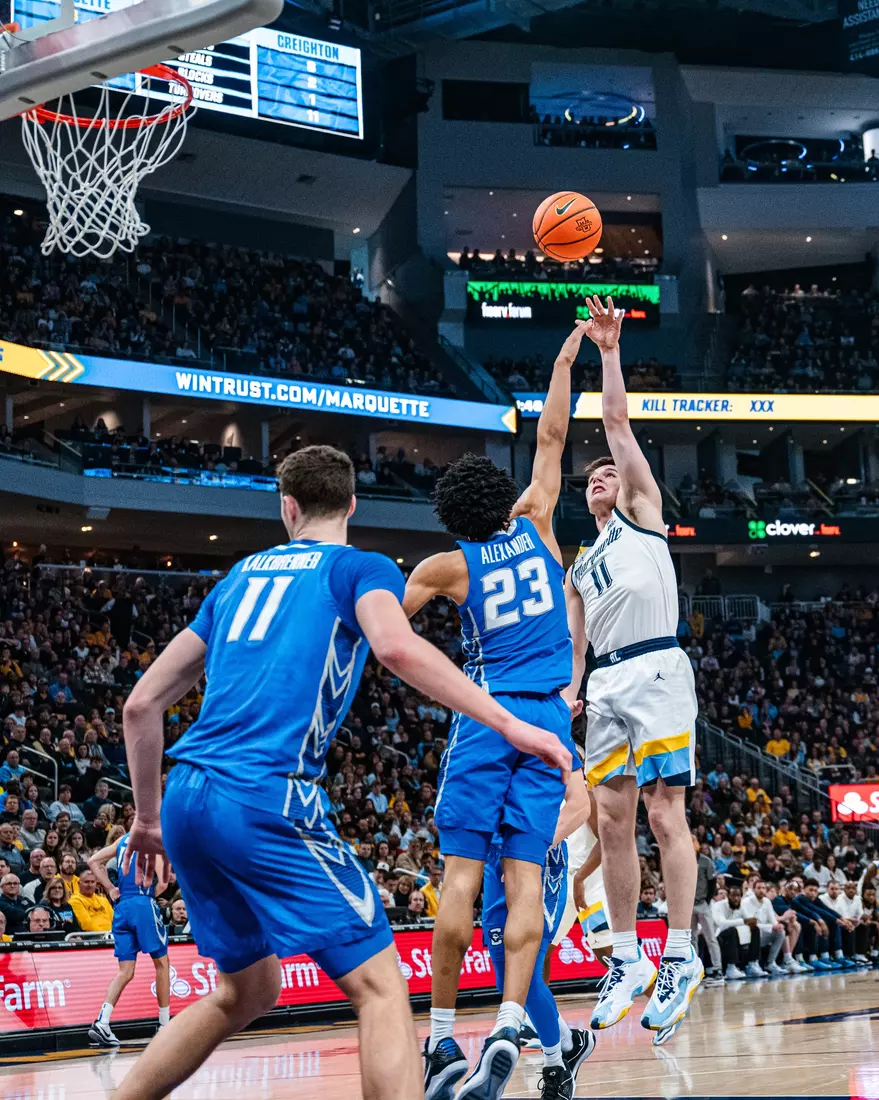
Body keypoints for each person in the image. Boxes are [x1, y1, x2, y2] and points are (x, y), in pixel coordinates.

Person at [113, 445, 570, 1100]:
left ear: (287, 506)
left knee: (246, 989)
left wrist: (147, 818)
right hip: (265, 795)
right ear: (351, 504)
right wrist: (508, 722)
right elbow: (393, 645)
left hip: (185, 796)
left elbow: (141, 705)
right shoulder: (360, 568)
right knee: (381, 987)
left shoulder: (238, 576)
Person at [403, 326, 581, 1100]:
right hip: (548, 722)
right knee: (525, 883)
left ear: (451, 518)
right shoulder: (539, 521)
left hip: (486, 715)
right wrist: (567, 355)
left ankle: (442, 1039)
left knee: (459, 884)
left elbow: (389, 627)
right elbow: (549, 432)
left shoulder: (446, 566)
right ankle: (512, 1021)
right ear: (501, 501)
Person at [563, 297, 701, 1033]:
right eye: (589, 478)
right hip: (607, 682)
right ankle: (627, 955)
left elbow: (615, 426)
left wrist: (607, 353)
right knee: (611, 820)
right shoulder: (581, 562)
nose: (598, 479)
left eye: (605, 475)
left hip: (655, 670)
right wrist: (570, 690)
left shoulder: (644, 516)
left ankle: (680, 953)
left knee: (663, 812)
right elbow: (574, 646)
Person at [481, 773, 595, 1100]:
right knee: (507, 981)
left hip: (539, 857)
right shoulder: (494, 736)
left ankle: (555, 1064)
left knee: (527, 974)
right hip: (497, 857)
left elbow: (580, 806)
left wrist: (543, 843)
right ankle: (571, 1043)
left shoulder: (551, 743)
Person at [87, 832, 171, 1047]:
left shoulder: (123, 839)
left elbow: (93, 861)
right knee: (162, 964)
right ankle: (164, 1025)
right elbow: (162, 884)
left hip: (121, 907)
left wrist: (110, 887)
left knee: (125, 971)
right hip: (143, 903)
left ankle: (103, 1022)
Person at [690, 835, 723, 984]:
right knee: (691, 938)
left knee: (710, 937)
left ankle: (717, 969)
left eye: (692, 841)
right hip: (688, 904)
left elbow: (712, 882)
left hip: (702, 902)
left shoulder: (705, 861)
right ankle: (694, 969)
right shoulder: (683, 860)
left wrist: (707, 900)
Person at [740, 878, 786, 975]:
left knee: (781, 932)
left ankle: (771, 963)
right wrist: (771, 927)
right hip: (748, 936)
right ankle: (753, 964)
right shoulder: (746, 902)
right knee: (755, 930)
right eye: (758, 888)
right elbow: (750, 923)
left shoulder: (767, 901)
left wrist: (777, 926)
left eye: (763, 888)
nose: (761, 890)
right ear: (753, 889)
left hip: (762, 934)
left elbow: (772, 919)